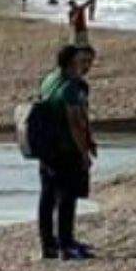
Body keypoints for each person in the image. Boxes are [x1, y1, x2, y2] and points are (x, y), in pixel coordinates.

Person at [36, 45, 97, 260]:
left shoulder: (50, 79)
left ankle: (48, 243)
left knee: (47, 196)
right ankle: (65, 244)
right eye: (82, 61)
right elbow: (75, 123)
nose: (86, 65)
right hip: (65, 149)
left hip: (46, 147)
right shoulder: (71, 87)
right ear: (71, 62)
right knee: (66, 197)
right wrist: (84, 152)